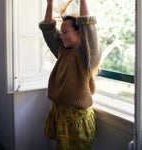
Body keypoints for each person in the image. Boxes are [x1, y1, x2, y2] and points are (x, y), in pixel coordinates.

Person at [39, 0, 102, 149]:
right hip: (60, 113)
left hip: (76, 119)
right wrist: (49, 3)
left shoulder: (88, 56)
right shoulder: (62, 50)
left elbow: (87, 24)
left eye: (65, 31)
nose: (61, 36)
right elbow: (48, 30)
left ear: (79, 32)